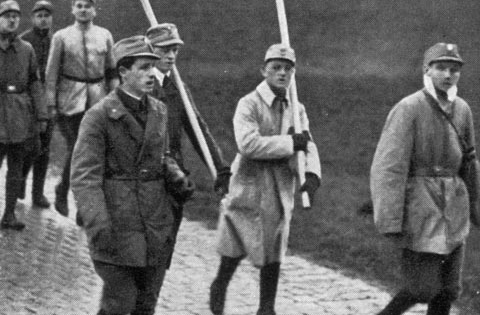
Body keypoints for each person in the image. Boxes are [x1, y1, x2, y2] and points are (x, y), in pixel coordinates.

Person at [71, 35, 194, 315]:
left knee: (146, 304)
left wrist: (176, 176)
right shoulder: (98, 116)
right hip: (118, 224)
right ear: (123, 72)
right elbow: (84, 177)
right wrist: (98, 223)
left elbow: (161, 155)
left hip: (155, 223)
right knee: (118, 304)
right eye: (143, 67)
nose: (151, 74)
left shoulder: (158, 110)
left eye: (152, 67)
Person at [209, 43, 322, 315]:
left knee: (274, 247)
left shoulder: (297, 108)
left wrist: (311, 174)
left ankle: (266, 308)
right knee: (235, 244)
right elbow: (248, 144)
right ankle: (220, 285)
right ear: (264, 70)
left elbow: (306, 143)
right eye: (276, 68)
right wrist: (288, 142)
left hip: (280, 185)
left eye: (288, 69)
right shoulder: (248, 104)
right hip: (248, 183)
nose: (282, 73)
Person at [370, 43, 479, 315]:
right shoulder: (409, 108)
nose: (447, 75)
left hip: (454, 205)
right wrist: (391, 217)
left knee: (448, 289)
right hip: (421, 206)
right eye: (440, 67)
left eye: (454, 70)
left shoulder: (462, 109)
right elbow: (389, 167)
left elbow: (469, 161)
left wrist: (475, 207)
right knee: (421, 287)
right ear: (426, 70)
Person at [145, 23, 232, 273]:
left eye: (175, 50)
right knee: (143, 250)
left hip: (174, 180)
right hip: (146, 178)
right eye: (165, 50)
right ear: (150, 51)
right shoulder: (142, 83)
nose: (171, 56)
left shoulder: (178, 87)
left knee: (163, 252)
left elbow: (198, 129)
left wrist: (220, 168)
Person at [0, 0, 48, 230]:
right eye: (7, 16)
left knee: (17, 166)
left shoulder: (27, 49)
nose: (12, 20)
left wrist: (41, 114)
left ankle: (9, 214)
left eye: (16, 16)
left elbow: (34, 82)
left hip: (20, 114)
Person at [45, 0, 115, 217]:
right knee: (78, 148)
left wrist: (114, 98)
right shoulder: (62, 37)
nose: (83, 9)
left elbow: (111, 70)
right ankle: (63, 190)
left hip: (97, 100)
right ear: (73, 9)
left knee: (93, 153)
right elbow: (51, 73)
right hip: (69, 100)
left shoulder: (104, 35)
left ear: (95, 10)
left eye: (88, 5)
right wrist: (51, 104)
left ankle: (83, 208)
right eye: (79, 5)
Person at [19, 0, 54, 208]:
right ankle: (20, 180)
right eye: (39, 16)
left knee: (45, 148)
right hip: (28, 101)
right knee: (27, 145)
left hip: (48, 101)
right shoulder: (24, 40)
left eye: (46, 16)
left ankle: (37, 193)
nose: (43, 20)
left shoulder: (56, 40)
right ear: (33, 18)